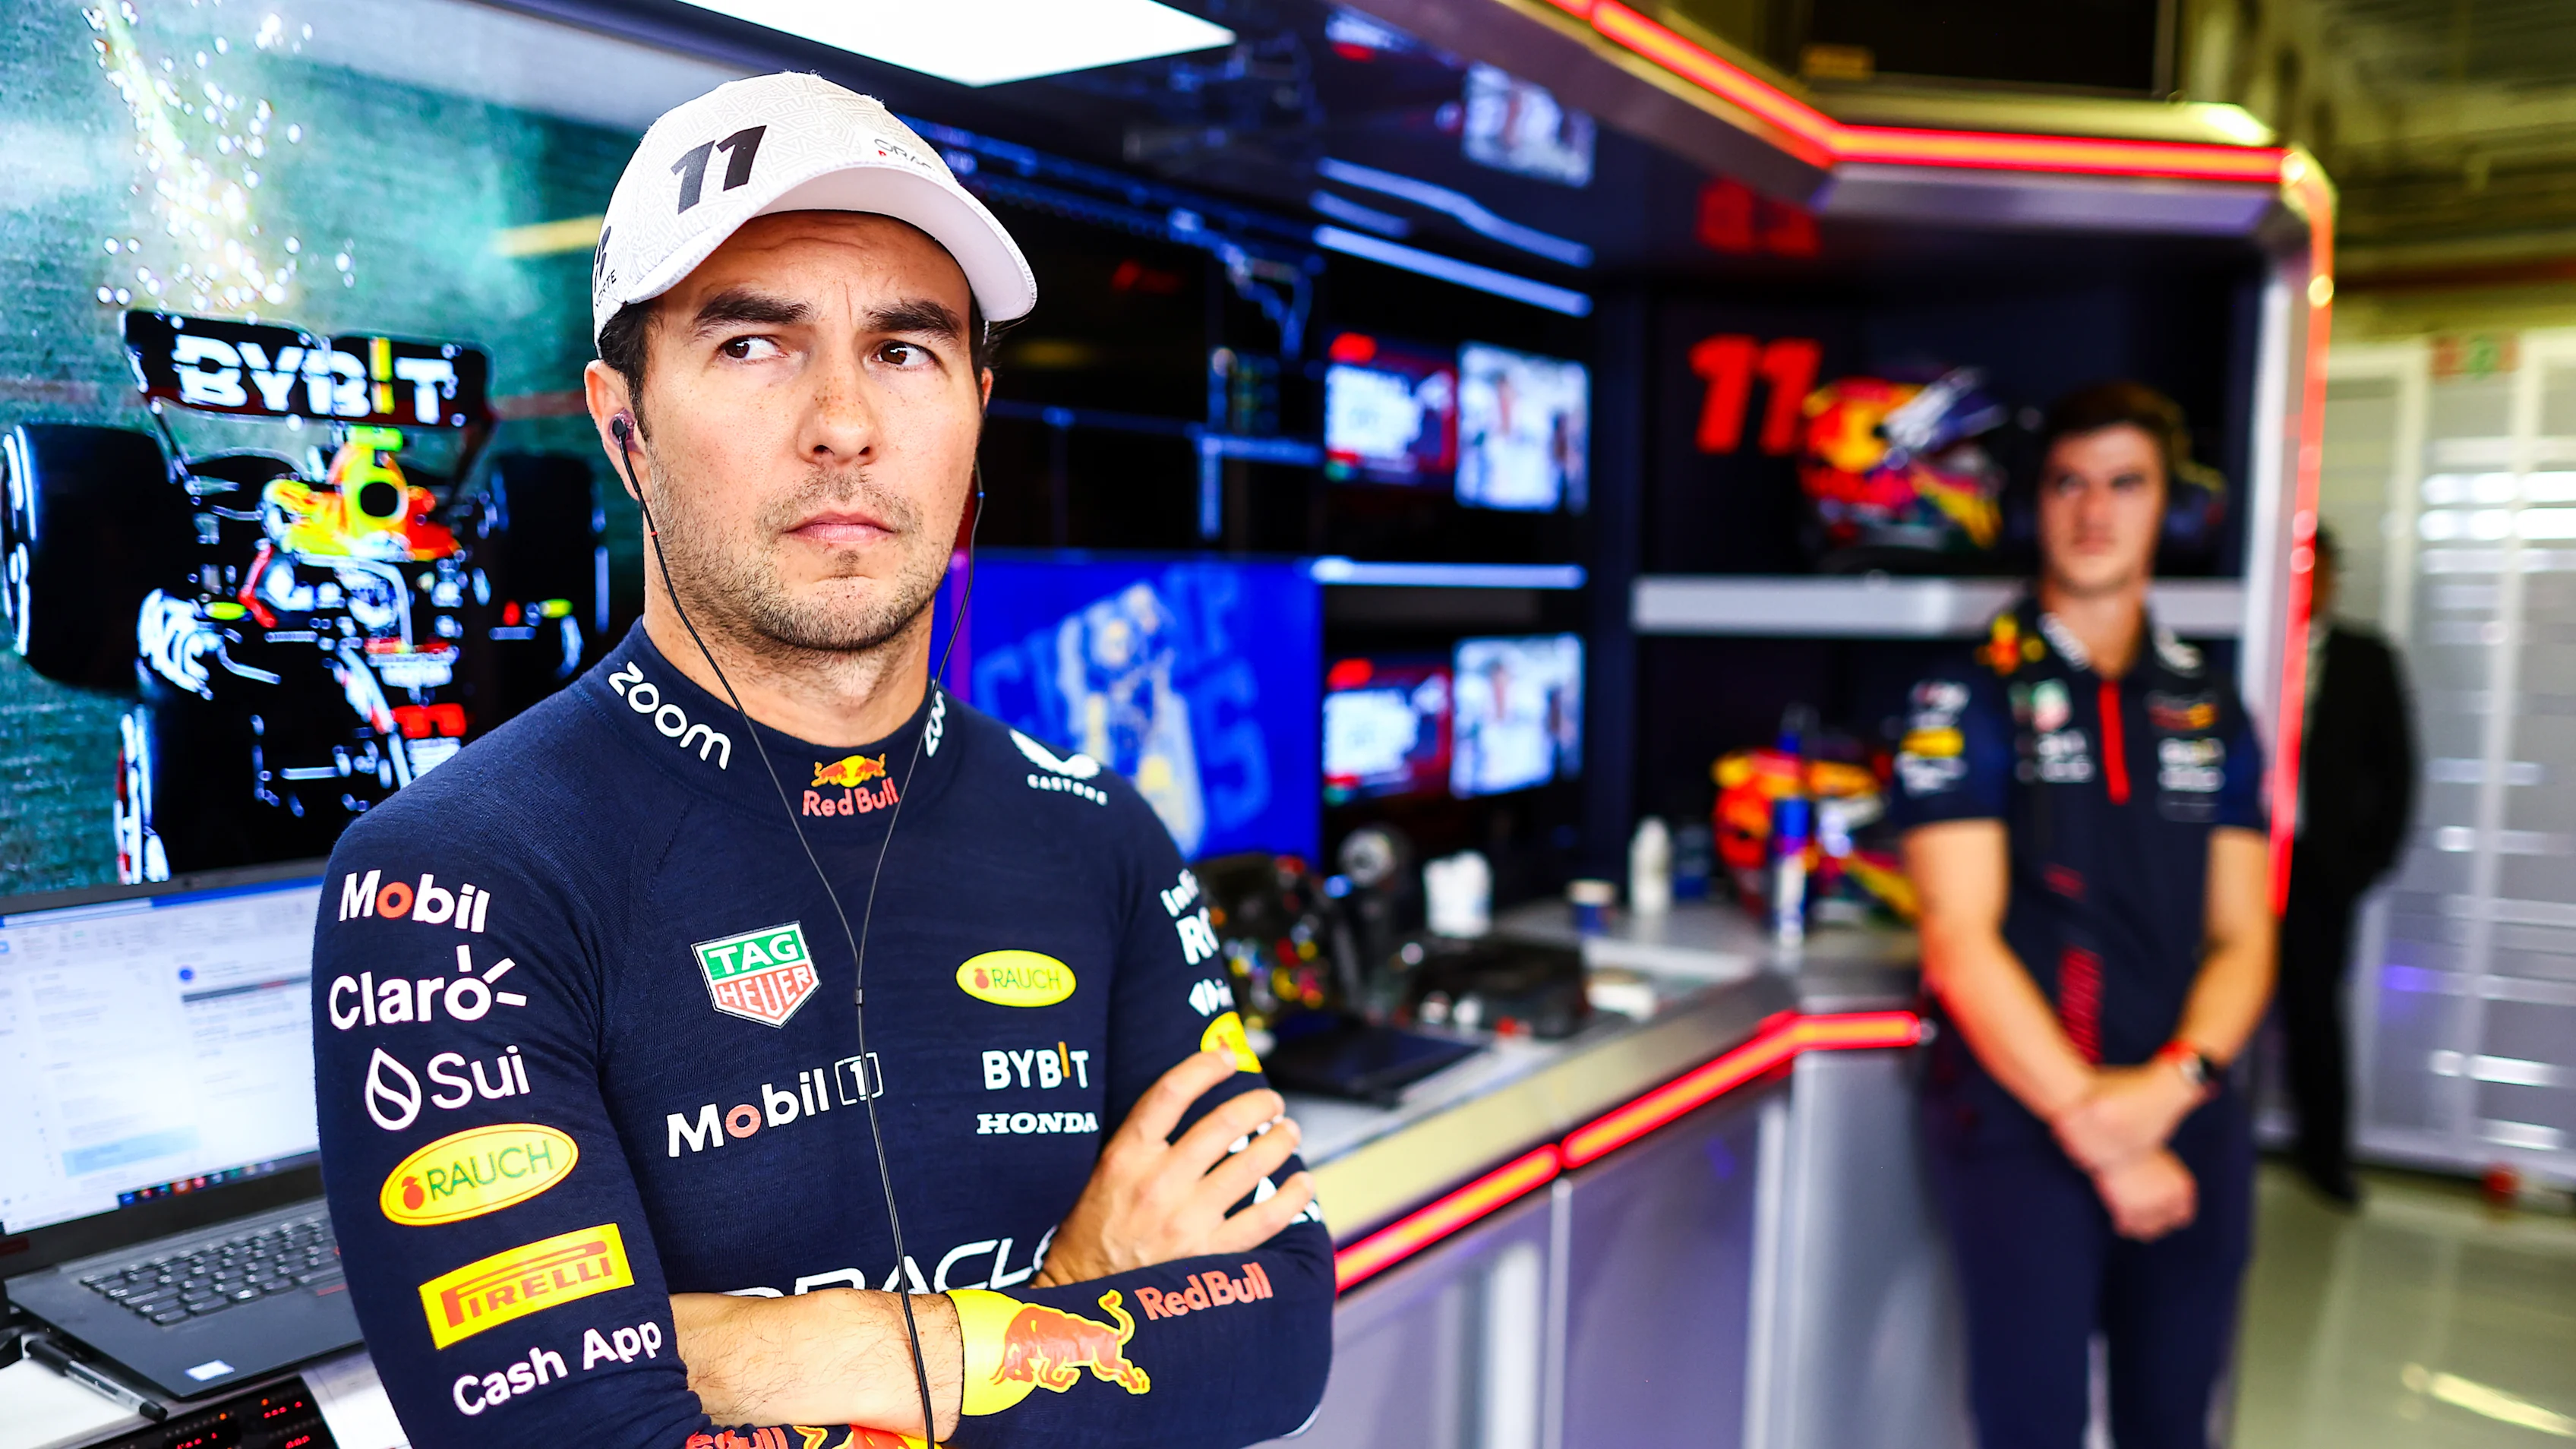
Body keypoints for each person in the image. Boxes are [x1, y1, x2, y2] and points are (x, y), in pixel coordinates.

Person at [308, 73, 1331, 1449]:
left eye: (903, 350)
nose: (843, 422)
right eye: (753, 346)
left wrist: (733, 1351)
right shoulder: (451, 881)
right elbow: (571, 1435)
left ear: (975, 406)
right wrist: (1072, 1295)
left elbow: (1272, 1336)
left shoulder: (1102, 835)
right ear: (624, 426)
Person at [1892, 381, 2277, 1448]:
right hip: (2021, 1125)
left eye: (2126, 483)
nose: (2095, 511)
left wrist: (2170, 1091)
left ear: (2172, 509)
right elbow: (1957, 941)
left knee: (2173, 1424)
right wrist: (2098, 1130)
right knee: (2033, 1427)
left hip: (2186, 1113)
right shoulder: (1961, 697)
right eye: (2069, 483)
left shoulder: (2213, 707)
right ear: (2034, 507)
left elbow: (2247, 935)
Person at [2280, 524, 2414, 1205]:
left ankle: (2325, 1156)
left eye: (2319, 571)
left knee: (2315, 1014)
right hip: (2245, 860)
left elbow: (2398, 772)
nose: (2310, 584)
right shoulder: (2250, 642)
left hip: (2319, 867)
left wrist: (2366, 863)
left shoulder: (2366, 658)